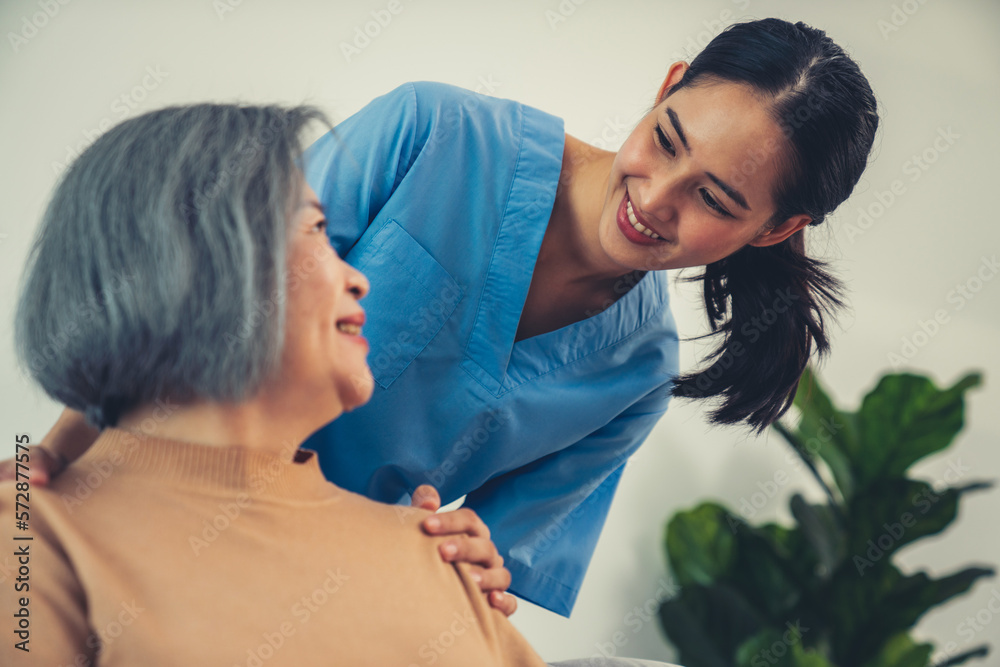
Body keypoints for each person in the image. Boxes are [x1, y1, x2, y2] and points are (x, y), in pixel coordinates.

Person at [4, 18, 879, 617]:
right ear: (668, 86)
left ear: (776, 229)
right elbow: (199, 294)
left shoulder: (636, 375)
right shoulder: (434, 131)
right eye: (669, 138)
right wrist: (46, 459)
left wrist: (472, 560)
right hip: (153, 498)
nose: (654, 198)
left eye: (714, 198)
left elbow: (478, 579)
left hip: (301, 599)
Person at [1, 101, 685, 667]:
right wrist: (56, 461)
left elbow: (493, 576)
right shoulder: (36, 544)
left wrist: (467, 578)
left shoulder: (431, 561)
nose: (360, 272)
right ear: (187, 262)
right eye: (318, 232)